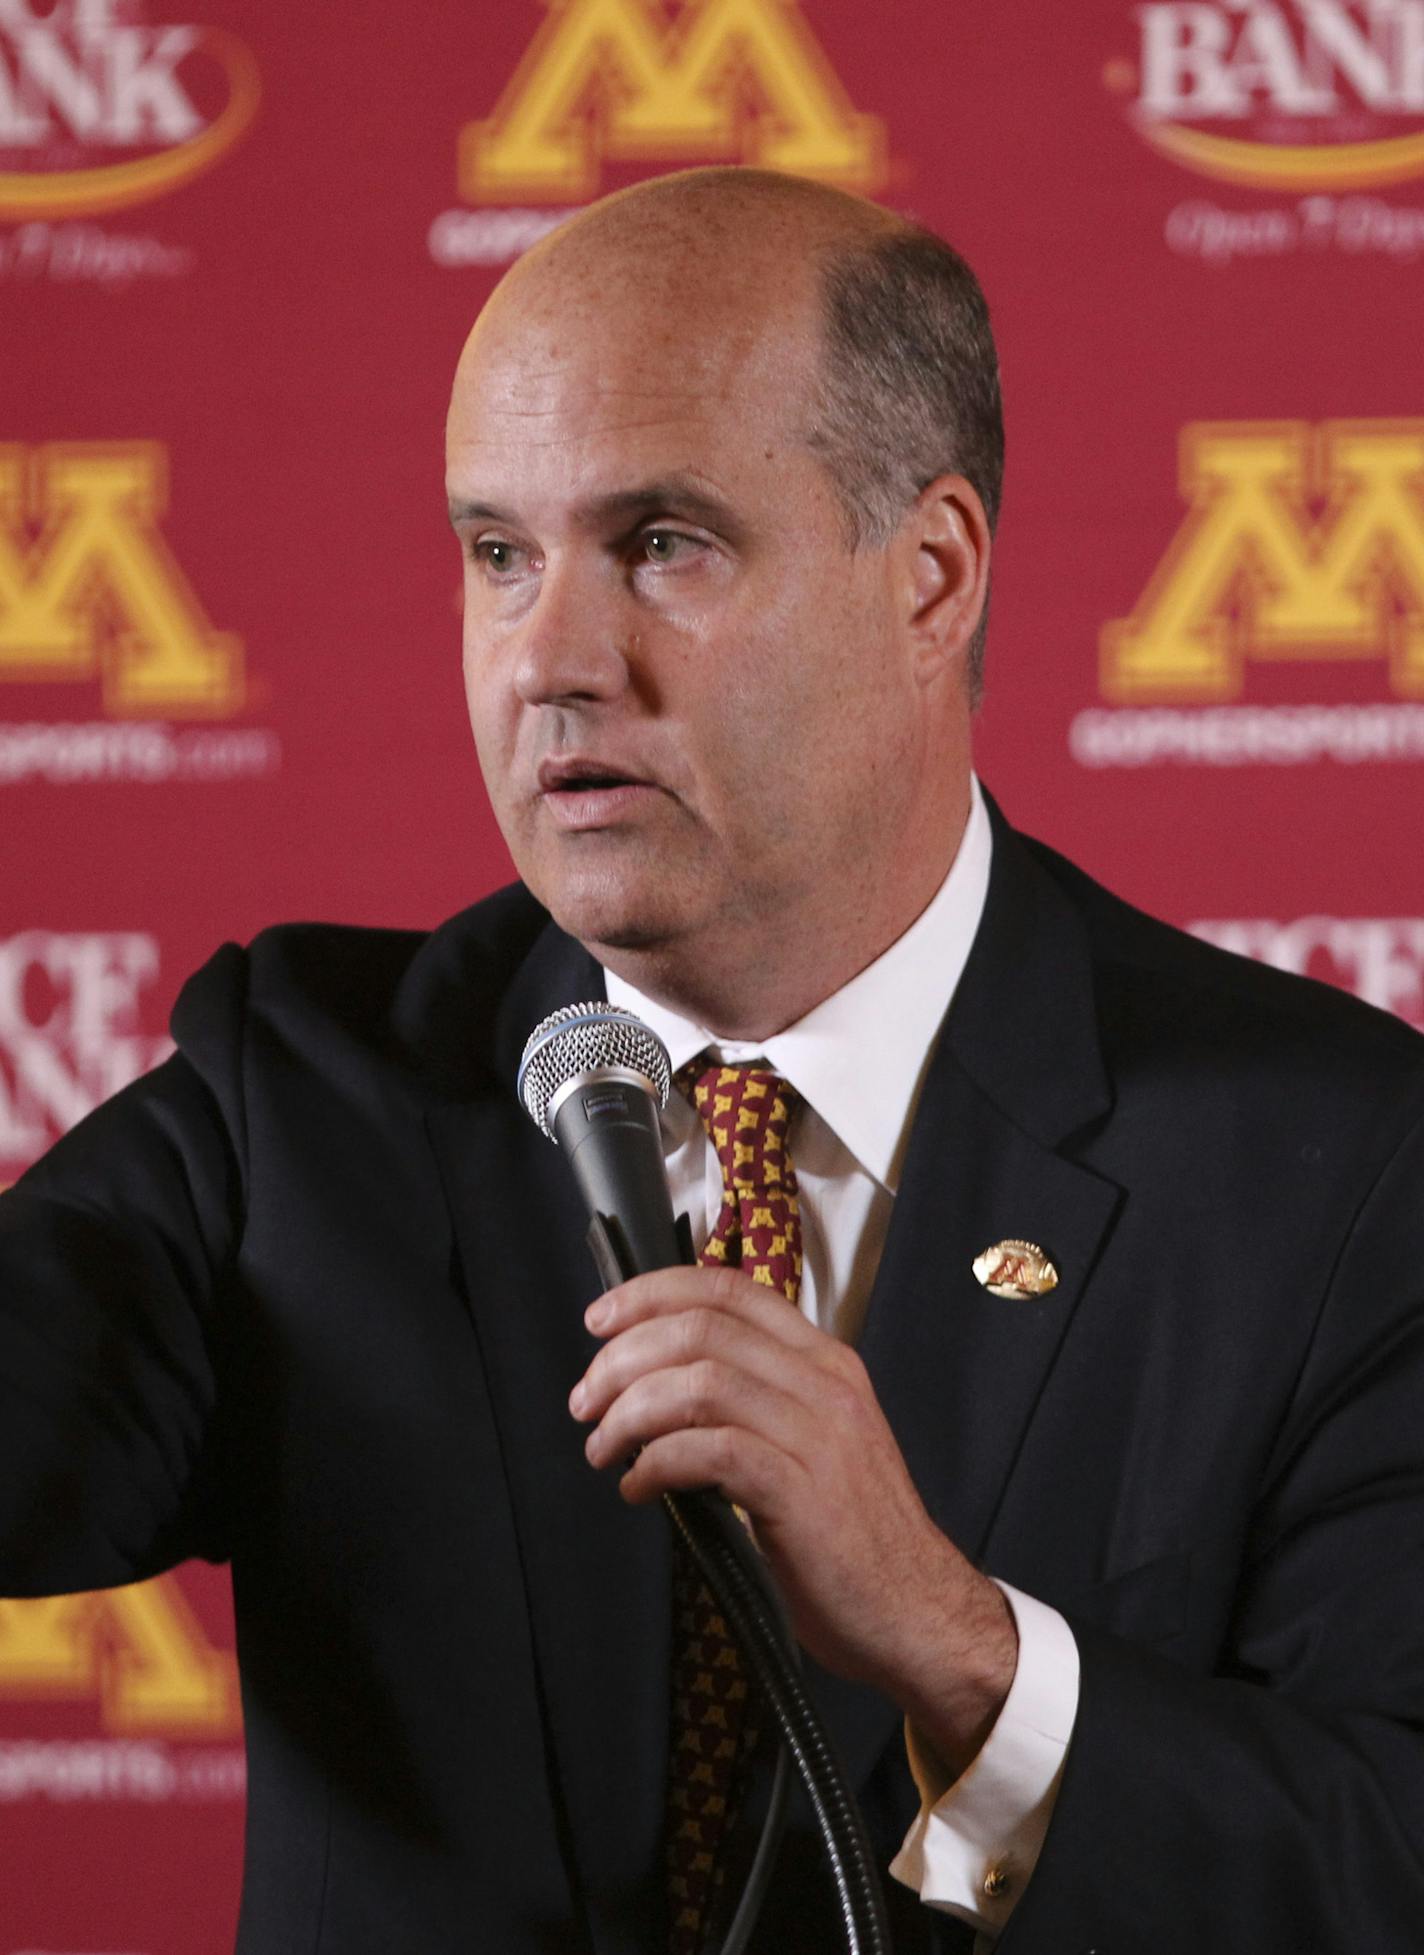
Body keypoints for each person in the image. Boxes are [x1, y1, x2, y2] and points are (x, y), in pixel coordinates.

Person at [3, 166, 1423, 1955]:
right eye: (499, 555)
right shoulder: (301, 1097)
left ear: (932, 572)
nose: (552, 660)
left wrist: (958, 1644)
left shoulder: (1339, 1167)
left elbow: (1387, 1860)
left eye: (663, 544)